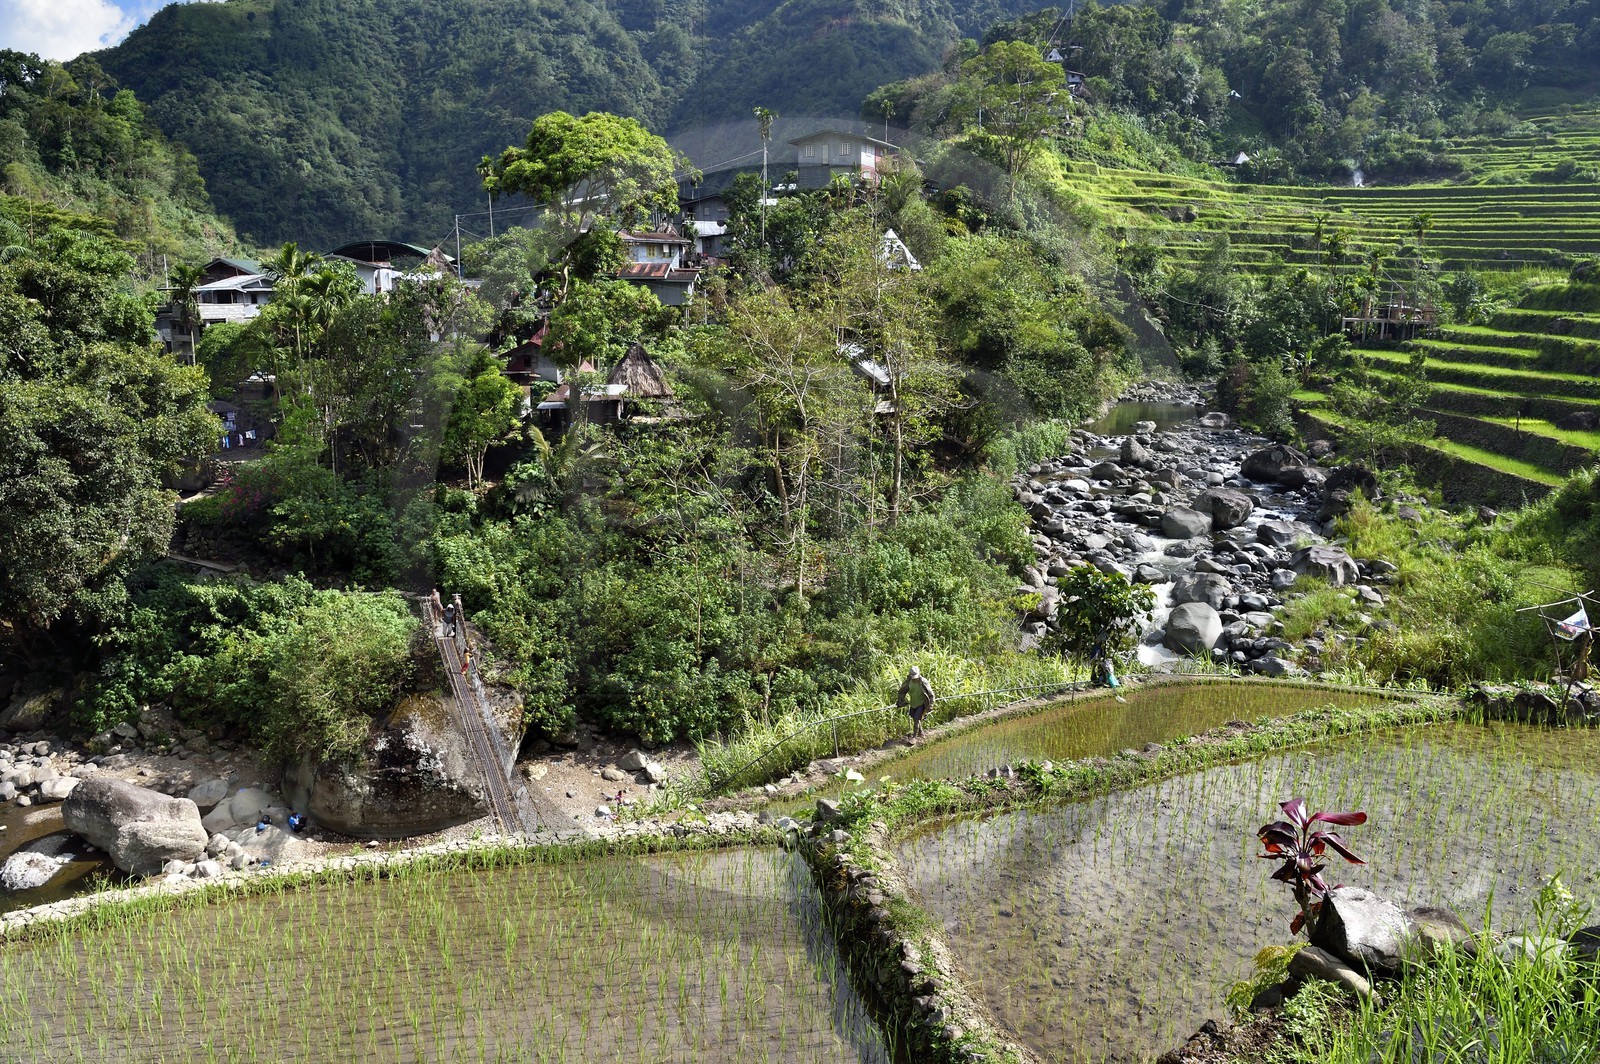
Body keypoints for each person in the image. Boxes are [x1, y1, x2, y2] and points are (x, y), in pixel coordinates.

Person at [895, 666, 935, 742]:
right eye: (913, 677)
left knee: (916, 719)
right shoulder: (908, 682)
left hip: (922, 703)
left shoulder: (923, 682)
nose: (915, 678)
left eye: (916, 677)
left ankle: (914, 737)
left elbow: (931, 694)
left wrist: (931, 704)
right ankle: (921, 732)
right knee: (915, 718)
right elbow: (902, 691)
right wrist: (901, 701)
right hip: (913, 703)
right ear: (910, 675)